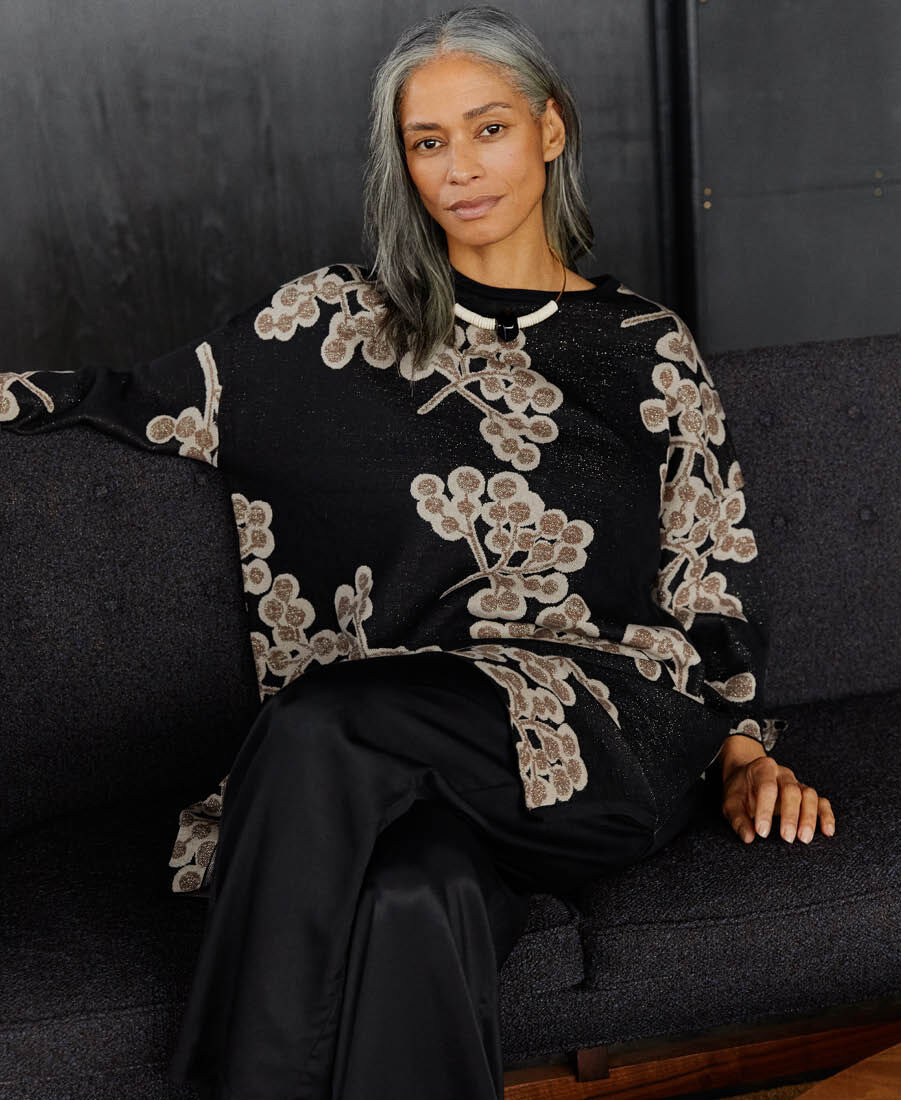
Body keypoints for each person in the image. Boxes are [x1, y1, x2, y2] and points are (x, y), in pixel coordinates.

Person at [0, 6, 836, 1098]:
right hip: (401, 773)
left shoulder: (645, 348)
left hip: (599, 736)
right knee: (413, 895)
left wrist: (743, 750)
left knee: (320, 724)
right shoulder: (332, 325)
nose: (459, 168)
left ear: (549, 128)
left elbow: (710, 576)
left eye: (488, 128)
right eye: (427, 141)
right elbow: (126, 397)